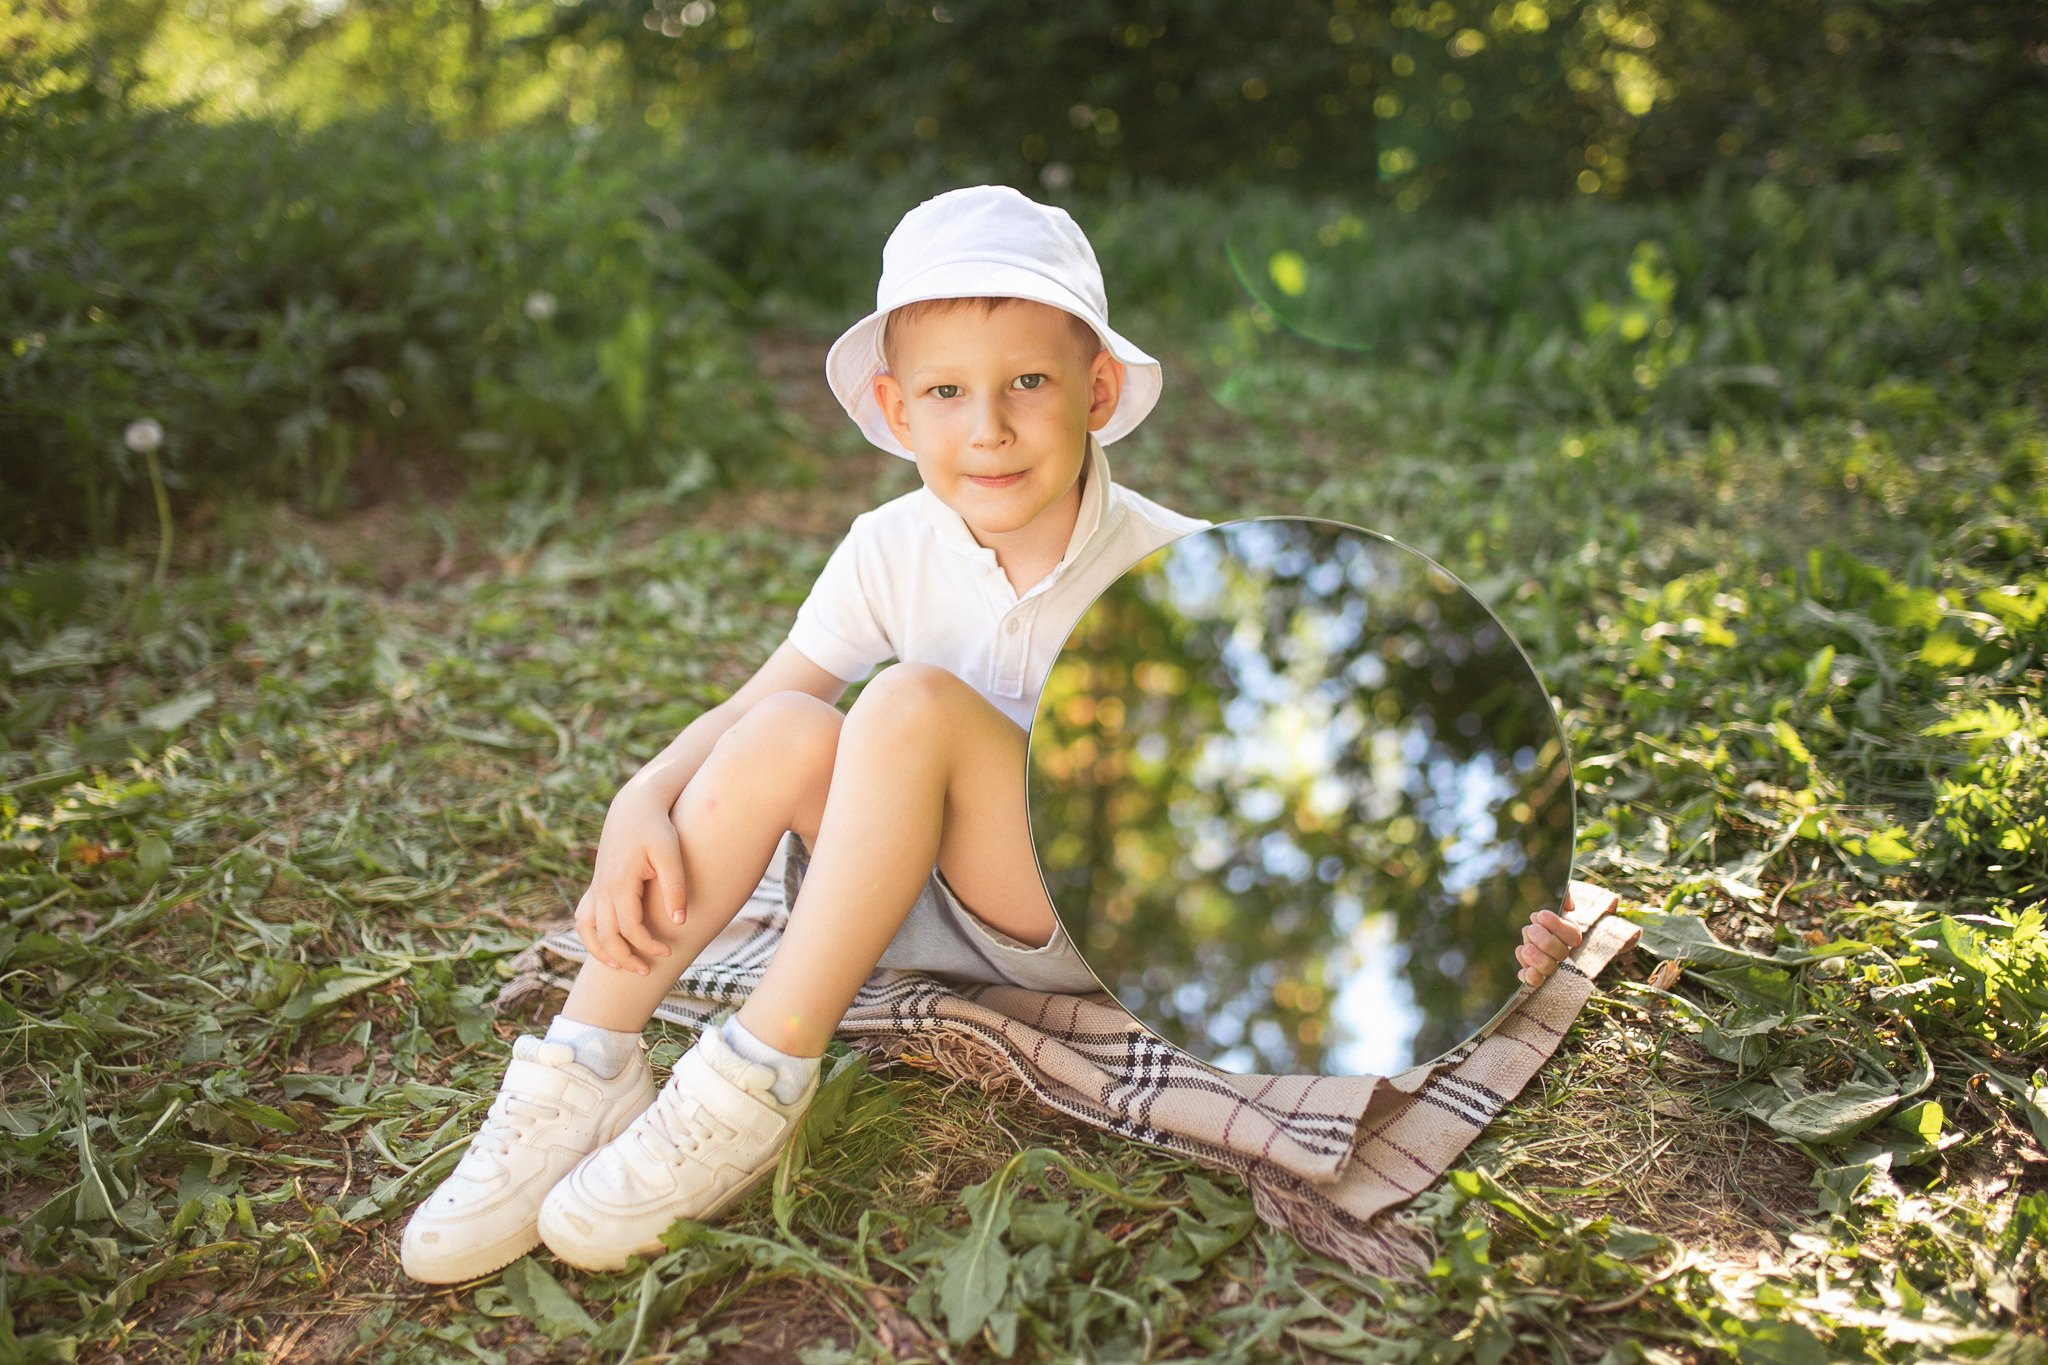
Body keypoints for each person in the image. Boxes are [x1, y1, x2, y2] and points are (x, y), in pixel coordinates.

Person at [399, 185, 1586, 1283]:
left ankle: (756, 1077)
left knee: (910, 702)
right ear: (894, 408)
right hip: (889, 893)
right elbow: (766, 698)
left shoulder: (1182, 568)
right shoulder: (887, 544)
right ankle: (583, 1068)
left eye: (1027, 383)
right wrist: (639, 796)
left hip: (1070, 907)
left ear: (1097, 394)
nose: (990, 429)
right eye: (948, 393)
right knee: (780, 734)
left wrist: (1475, 916)